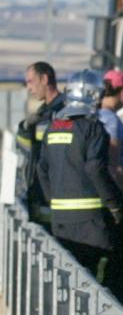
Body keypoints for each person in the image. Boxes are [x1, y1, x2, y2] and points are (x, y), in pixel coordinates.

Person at [36, 71, 123, 308]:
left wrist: (55, 201)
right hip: (92, 223)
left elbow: (42, 170)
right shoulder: (92, 128)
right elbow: (96, 170)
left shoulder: (54, 127)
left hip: (60, 221)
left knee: (69, 283)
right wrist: (115, 204)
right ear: (94, 95)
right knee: (97, 282)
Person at [18, 61, 63, 225]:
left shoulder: (62, 111)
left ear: (44, 79)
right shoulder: (42, 113)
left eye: (31, 81)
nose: (28, 87)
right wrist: (24, 129)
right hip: (39, 191)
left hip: (53, 193)